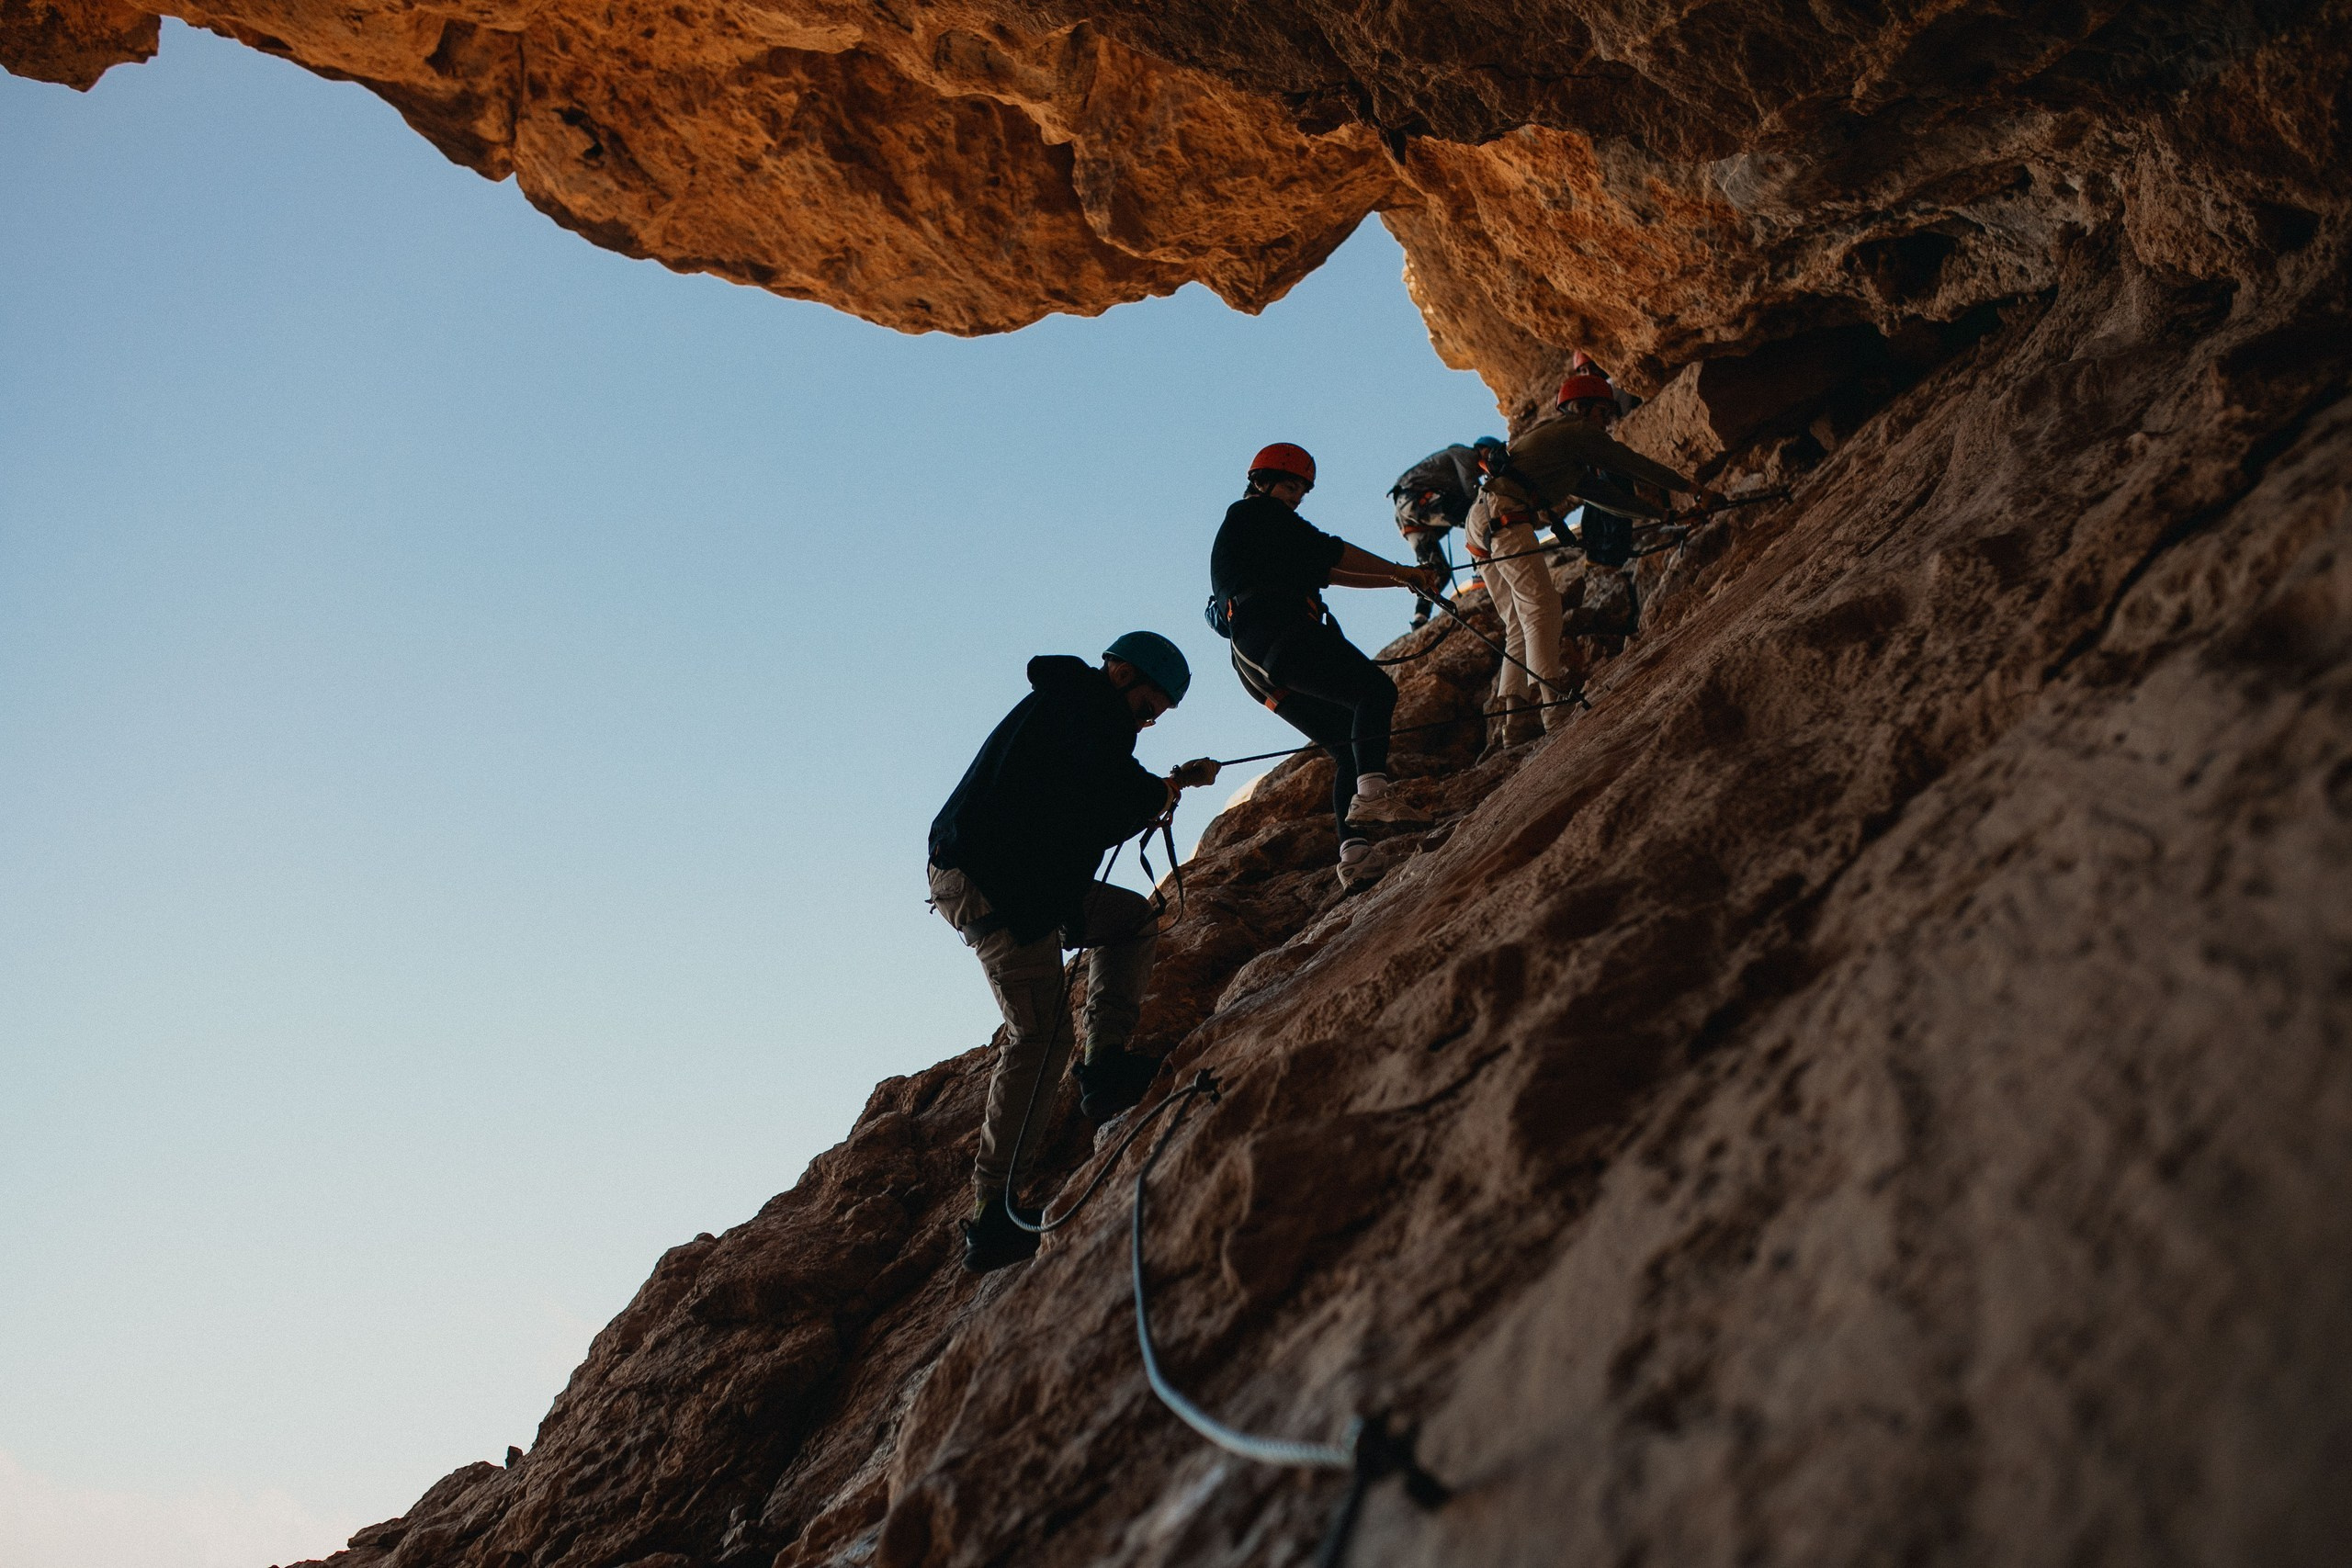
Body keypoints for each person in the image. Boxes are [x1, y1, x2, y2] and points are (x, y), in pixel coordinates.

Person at [927, 632, 1222, 1272]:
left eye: (1156, 713)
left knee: (1133, 920)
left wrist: (1165, 787)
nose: (1148, 718)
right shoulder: (1087, 710)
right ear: (1121, 672)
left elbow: (1095, 791)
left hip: (1027, 882)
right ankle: (991, 1214)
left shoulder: (1081, 710)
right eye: (1149, 703)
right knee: (1039, 1036)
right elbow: (1106, 792)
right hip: (997, 885)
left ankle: (1104, 1065)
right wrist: (1161, 791)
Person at [1209, 443, 1447, 886]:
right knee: (1375, 691)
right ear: (1261, 482)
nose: (1297, 496)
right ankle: (1374, 796)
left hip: (1252, 659)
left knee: (1344, 744)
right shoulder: (1257, 514)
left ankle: (1354, 855)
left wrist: (1401, 579)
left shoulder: (1260, 536)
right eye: (1290, 485)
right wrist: (1402, 571)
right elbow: (1333, 552)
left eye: (1302, 489)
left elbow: (1331, 571)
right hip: (1278, 632)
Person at [1468, 371, 1709, 747]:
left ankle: (1514, 722)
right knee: (1542, 607)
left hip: (1481, 521)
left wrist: (1665, 517)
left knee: (1518, 621)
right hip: (1506, 516)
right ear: (1582, 409)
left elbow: (1605, 496)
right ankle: (1552, 710)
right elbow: (1629, 464)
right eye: (1602, 414)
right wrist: (1693, 489)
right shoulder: (1577, 432)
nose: (1606, 424)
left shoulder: (1561, 450)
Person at [1386, 437, 1504, 626]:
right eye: (1491, 453)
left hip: (1408, 512)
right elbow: (1472, 492)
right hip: (1417, 500)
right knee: (1477, 516)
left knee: (1436, 571)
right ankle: (1481, 575)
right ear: (1483, 449)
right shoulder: (1467, 455)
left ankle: (1420, 618)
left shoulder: (1456, 463)